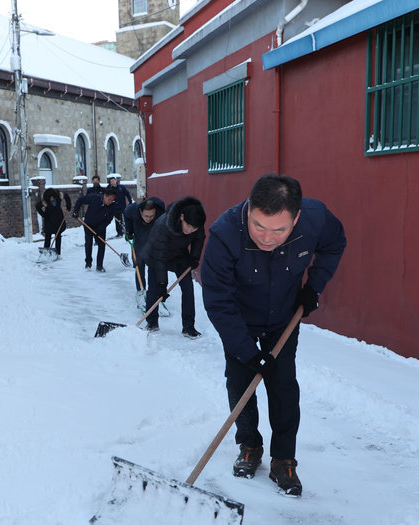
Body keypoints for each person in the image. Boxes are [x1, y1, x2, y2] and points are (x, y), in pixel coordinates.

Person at [200, 174, 346, 496]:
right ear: (250, 209)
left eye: (279, 230)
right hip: (239, 319)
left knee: (283, 387)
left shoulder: (316, 218)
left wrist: (314, 287)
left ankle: (283, 459)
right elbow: (218, 301)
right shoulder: (225, 235)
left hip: (283, 317)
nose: (267, 238)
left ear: (296, 218)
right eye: (258, 226)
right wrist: (248, 353)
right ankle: (249, 445)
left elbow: (335, 244)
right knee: (240, 383)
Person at [141, 196, 206, 337]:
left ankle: (188, 326)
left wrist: (194, 257)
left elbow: (199, 239)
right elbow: (159, 257)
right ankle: (152, 322)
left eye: (193, 228)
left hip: (179, 255)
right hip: (156, 255)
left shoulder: (197, 222)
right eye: (188, 226)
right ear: (182, 217)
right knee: (154, 290)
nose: (190, 230)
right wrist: (162, 283)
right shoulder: (163, 226)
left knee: (188, 288)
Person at [123, 196, 165, 302]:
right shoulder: (132, 210)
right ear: (141, 212)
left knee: (154, 268)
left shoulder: (161, 214)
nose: (149, 219)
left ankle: (153, 294)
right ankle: (141, 291)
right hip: (139, 241)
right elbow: (126, 215)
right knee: (139, 266)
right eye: (146, 216)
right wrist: (129, 230)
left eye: (152, 216)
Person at [72, 187, 117, 272]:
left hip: (100, 227)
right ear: (104, 196)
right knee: (88, 243)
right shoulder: (94, 198)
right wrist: (76, 211)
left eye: (112, 200)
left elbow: (109, 219)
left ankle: (99, 266)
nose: (110, 202)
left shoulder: (112, 206)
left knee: (102, 245)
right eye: (109, 199)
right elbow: (80, 200)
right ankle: (88, 263)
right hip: (88, 224)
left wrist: (101, 227)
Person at [36, 188, 69, 257]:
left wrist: (68, 207)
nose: (51, 198)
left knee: (58, 236)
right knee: (48, 237)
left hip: (58, 220)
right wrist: (44, 215)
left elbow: (67, 197)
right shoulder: (45, 201)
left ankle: (58, 253)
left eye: (52, 197)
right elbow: (38, 207)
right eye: (50, 197)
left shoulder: (58, 197)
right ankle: (46, 253)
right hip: (49, 221)